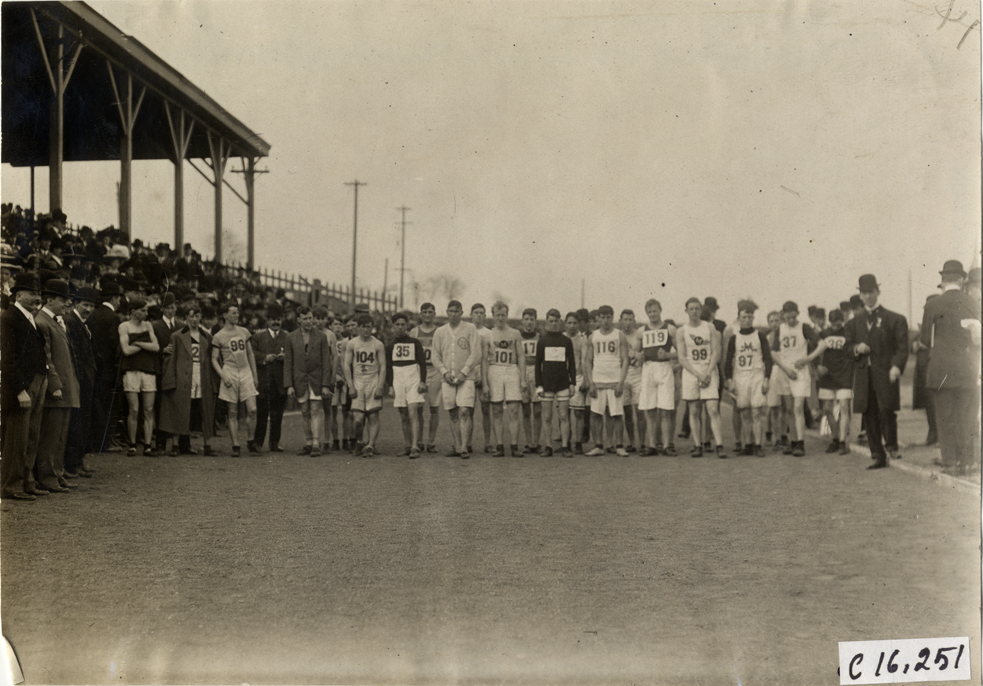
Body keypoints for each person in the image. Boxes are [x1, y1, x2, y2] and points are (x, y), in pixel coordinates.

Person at [920, 260, 980, 475]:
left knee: (946, 418)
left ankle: (951, 463)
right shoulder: (973, 303)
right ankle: (969, 462)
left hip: (941, 371)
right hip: (967, 370)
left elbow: (926, 340)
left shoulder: (933, 305)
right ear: (962, 279)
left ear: (943, 280)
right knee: (967, 417)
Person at [844, 274, 909, 470]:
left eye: (871, 292)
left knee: (887, 409)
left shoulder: (894, 319)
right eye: (864, 293)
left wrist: (897, 366)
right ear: (860, 296)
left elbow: (902, 347)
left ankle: (892, 446)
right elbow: (847, 347)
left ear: (878, 292)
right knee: (868, 413)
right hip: (864, 375)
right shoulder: (853, 323)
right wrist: (857, 349)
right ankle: (877, 455)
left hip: (885, 372)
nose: (868, 297)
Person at [1, 273, 48, 500]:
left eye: (38, 293)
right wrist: (20, 389)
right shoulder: (9, 317)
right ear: (19, 295)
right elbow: (8, 358)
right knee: (18, 437)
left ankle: (27, 480)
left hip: (37, 379)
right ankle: (13, 485)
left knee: (31, 434)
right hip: (24, 384)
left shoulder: (29, 316)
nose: (37, 297)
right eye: (32, 293)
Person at [34, 279, 80, 493]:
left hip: (66, 387)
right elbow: (47, 357)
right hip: (57, 388)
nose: (66, 303)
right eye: (63, 299)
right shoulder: (42, 321)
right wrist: (55, 384)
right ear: (49, 299)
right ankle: (47, 477)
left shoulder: (57, 321)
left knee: (61, 435)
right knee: (50, 436)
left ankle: (57, 474)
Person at [158, 304, 218, 456]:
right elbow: (170, 360)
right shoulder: (177, 336)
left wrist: (213, 382)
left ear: (200, 318)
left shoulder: (207, 336)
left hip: (201, 375)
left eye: (197, 316)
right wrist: (170, 381)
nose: (194, 319)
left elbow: (212, 360)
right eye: (190, 316)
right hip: (183, 376)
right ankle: (175, 446)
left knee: (205, 409)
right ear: (185, 318)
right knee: (179, 409)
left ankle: (208, 446)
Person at [723, 300, 774, 457]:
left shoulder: (760, 336)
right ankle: (749, 444)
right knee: (744, 412)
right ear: (739, 318)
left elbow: (767, 359)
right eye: (743, 317)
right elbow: (728, 361)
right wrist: (730, 380)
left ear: (753, 318)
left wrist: (766, 379)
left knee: (757, 412)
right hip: (741, 376)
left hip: (756, 375)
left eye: (749, 317)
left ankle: (758, 445)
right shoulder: (734, 338)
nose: (746, 320)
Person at [677, 297, 725, 458]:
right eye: (691, 309)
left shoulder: (710, 328)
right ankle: (698, 445)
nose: (695, 312)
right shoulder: (682, 331)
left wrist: (708, 372)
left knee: (712, 408)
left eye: (697, 308)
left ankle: (719, 444)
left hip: (709, 370)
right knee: (694, 410)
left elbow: (716, 352)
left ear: (701, 310)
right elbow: (682, 357)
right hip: (691, 372)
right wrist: (697, 374)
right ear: (686, 311)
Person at [432, 300, 481, 459]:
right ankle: (458, 446)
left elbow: (476, 353)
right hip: (447, 377)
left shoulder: (470, 328)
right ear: (447, 312)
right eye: (450, 311)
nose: (453, 314)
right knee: (453, 412)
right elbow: (435, 355)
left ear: (461, 312)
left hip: (465, 378)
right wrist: (444, 372)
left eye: (456, 311)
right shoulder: (440, 331)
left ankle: (465, 447)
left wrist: (464, 373)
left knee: (465, 410)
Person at [770, 301, 820, 457]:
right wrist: (785, 368)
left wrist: (808, 359)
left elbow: (822, 343)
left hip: (800, 372)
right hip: (785, 372)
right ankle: (793, 441)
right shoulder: (780, 329)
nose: (791, 320)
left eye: (794, 317)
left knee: (798, 407)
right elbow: (773, 352)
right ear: (783, 315)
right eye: (788, 317)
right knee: (789, 409)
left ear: (797, 314)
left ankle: (801, 443)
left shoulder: (804, 327)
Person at [211, 302, 259, 457]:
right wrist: (223, 377)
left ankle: (250, 440)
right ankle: (236, 445)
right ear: (225, 315)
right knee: (232, 411)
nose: (236, 316)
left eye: (237, 313)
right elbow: (214, 359)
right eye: (233, 313)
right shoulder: (218, 336)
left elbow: (250, 354)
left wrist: (254, 374)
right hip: (230, 372)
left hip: (245, 371)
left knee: (252, 409)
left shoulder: (244, 332)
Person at [284, 306, 333, 457]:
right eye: (305, 318)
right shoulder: (290, 338)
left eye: (310, 318)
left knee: (315, 409)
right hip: (300, 380)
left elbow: (326, 362)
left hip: (316, 380)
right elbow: (288, 363)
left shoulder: (321, 337)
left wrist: (326, 385)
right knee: (305, 411)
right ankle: (308, 442)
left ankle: (316, 444)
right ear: (298, 320)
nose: (309, 321)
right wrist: (289, 385)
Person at [583, 305, 630, 457]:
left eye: (608, 317)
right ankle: (598, 445)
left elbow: (625, 359)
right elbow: (588, 361)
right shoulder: (593, 336)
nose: (605, 321)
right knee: (596, 414)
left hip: (615, 380)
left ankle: (619, 445)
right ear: (598, 318)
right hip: (598, 381)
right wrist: (590, 383)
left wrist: (621, 382)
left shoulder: (619, 335)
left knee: (616, 414)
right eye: (602, 317)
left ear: (612, 317)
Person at [63, 286, 98, 478]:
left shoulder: (81, 322)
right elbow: (75, 356)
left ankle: (77, 461)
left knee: (83, 421)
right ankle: (72, 463)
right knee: (77, 421)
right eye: (85, 304)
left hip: (85, 380)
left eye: (91, 305)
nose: (89, 308)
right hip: (80, 380)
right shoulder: (71, 322)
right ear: (76, 304)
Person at [483, 302, 526, 457]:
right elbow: (483, 359)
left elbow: (521, 356)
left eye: (503, 315)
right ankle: (499, 445)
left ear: (507, 315)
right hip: (494, 370)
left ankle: (514, 445)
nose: (500, 318)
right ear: (493, 316)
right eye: (497, 315)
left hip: (511, 370)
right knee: (496, 410)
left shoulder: (515, 333)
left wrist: (523, 379)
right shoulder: (488, 334)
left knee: (514, 410)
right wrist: (485, 383)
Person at [118, 298, 160, 456]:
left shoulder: (148, 325)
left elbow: (156, 347)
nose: (146, 313)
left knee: (148, 409)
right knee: (134, 409)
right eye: (142, 310)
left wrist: (138, 343)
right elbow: (126, 351)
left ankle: (148, 445)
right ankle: (133, 443)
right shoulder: (124, 326)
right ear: (133, 311)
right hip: (131, 371)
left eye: (146, 310)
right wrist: (144, 344)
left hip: (148, 370)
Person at [638, 299, 678, 456]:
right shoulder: (642, 331)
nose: (652, 314)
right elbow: (634, 352)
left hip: (664, 368)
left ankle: (667, 445)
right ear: (647, 313)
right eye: (650, 312)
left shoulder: (670, 329)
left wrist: (668, 355)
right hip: (648, 368)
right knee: (650, 409)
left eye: (655, 311)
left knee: (665, 409)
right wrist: (637, 355)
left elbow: (682, 353)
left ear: (660, 310)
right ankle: (652, 445)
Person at [535, 308, 576, 457]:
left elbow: (571, 363)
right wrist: (538, 385)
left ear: (560, 322)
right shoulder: (542, 341)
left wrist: (572, 383)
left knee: (564, 415)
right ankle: (548, 446)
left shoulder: (566, 341)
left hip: (563, 383)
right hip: (546, 384)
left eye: (556, 321)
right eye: (550, 321)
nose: (553, 324)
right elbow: (537, 365)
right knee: (546, 416)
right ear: (546, 322)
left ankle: (565, 446)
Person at [385, 312, 427, 458]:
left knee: (413, 411)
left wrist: (422, 381)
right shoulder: (390, 346)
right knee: (403, 414)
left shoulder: (415, 343)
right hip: (398, 378)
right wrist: (390, 386)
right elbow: (389, 368)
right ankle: (408, 445)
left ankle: (415, 446)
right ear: (393, 327)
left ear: (407, 326)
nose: (400, 327)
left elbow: (422, 364)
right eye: (397, 325)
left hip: (413, 377)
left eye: (403, 325)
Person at [344, 313, 386, 456]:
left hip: (373, 381)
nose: (366, 330)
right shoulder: (352, 343)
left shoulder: (377, 344)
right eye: (363, 327)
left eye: (368, 327)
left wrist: (380, 386)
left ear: (372, 327)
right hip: (358, 382)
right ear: (358, 327)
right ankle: (360, 441)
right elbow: (346, 365)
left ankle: (370, 445)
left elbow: (383, 366)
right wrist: (350, 386)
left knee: (373, 416)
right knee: (358, 419)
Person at [88, 281, 124, 453]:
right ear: (115, 298)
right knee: (109, 406)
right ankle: (106, 442)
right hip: (109, 369)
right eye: (119, 298)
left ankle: (99, 441)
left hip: (95, 367)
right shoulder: (113, 317)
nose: (120, 302)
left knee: (98, 406)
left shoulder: (93, 314)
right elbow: (115, 345)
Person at [816, 309, 855, 455]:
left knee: (844, 407)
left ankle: (843, 441)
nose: (836, 327)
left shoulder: (849, 333)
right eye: (833, 324)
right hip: (827, 376)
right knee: (827, 409)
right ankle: (835, 438)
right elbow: (813, 350)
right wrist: (817, 366)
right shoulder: (824, 334)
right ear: (829, 321)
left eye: (838, 324)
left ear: (842, 321)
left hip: (844, 375)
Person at [251, 302, 288, 452]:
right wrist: (265, 357)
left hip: (280, 382)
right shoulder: (258, 336)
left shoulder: (287, 337)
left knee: (277, 415)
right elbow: (251, 353)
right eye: (272, 319)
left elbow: (294, 356)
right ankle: (258, 442)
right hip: (264, 381)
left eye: (278, 319)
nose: (275, 322)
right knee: (262, 414)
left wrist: (286, 357)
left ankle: (274, 443)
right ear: (267, 320)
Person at [410, 303, 441, 452]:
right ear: (420, 314)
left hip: (435, 371)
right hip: (418, 371)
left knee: (434, 407)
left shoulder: (440, 332)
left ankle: (432, 441)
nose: (427, 315)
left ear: (434, 313)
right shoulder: (414, 332)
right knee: (418, 407)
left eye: (430, 312)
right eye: (424, 312)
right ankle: (420, 440)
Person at [911, 294, 938, 446]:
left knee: (937, 403)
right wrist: (915, 345)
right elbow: (913, 341)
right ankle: (932, 432)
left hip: (935, 370)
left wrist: (925, 346)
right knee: (928, 403)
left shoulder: (941, 324)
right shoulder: (924, 327)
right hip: (922, 371)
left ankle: (937, 433)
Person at [313, 306, 338, 452]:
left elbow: (334, 357)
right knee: (313, 408)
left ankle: (327, 440)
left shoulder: (330, 335)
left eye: (322, 318)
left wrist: (333, 376)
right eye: (317, 318)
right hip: (314, 375)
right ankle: (313, 440)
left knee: (327, 408)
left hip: (327, 374)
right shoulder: (310, 334)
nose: (319, 321)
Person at [564, 312, 589, 454]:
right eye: (569, 323)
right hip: (562, 378)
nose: (572, 326)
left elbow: (585, 360)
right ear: (565, 323)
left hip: (578, 377)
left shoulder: (582, 340)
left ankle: (578, 442)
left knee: (578, 413)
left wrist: (586, 378)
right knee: (564, 412)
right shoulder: (561, 337)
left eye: (575, 323)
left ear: (578, 325)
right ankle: (565, 442)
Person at [470, 303, 494, 453]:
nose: (478, 315)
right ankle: (468, 443)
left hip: (485, 372)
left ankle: (487, 443)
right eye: (476, 312)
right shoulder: (466, 330)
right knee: (468, 410)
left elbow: (491, 356)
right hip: (469, 372)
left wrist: (483, 375)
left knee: (486, 409)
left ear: (485, 316)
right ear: (471, 315)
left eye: (481, 313)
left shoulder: (488, 333)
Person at [518, 308, 542, 454]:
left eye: (531, 319)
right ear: (522, 321)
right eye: (526, 319)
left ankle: (536, 442)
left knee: (538, 410)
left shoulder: (540, 337)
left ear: (535, 321)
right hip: (523, 373)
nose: (528, 322)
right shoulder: (518, 337)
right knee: (526, 410)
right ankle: (528, 442)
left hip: (537, 373)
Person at [620, 309, 644, 453]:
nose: (628, 322)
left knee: (639, 411)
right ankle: (632, 442)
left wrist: (641, 357)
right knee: (627, 411)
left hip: (638, 375)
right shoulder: (618, 335)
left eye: (630, 319)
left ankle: (641, 443)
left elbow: (647, 353)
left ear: (634, 320)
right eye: (625, 319)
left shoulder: (640, 335)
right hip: (623, 376)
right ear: (621, 321)